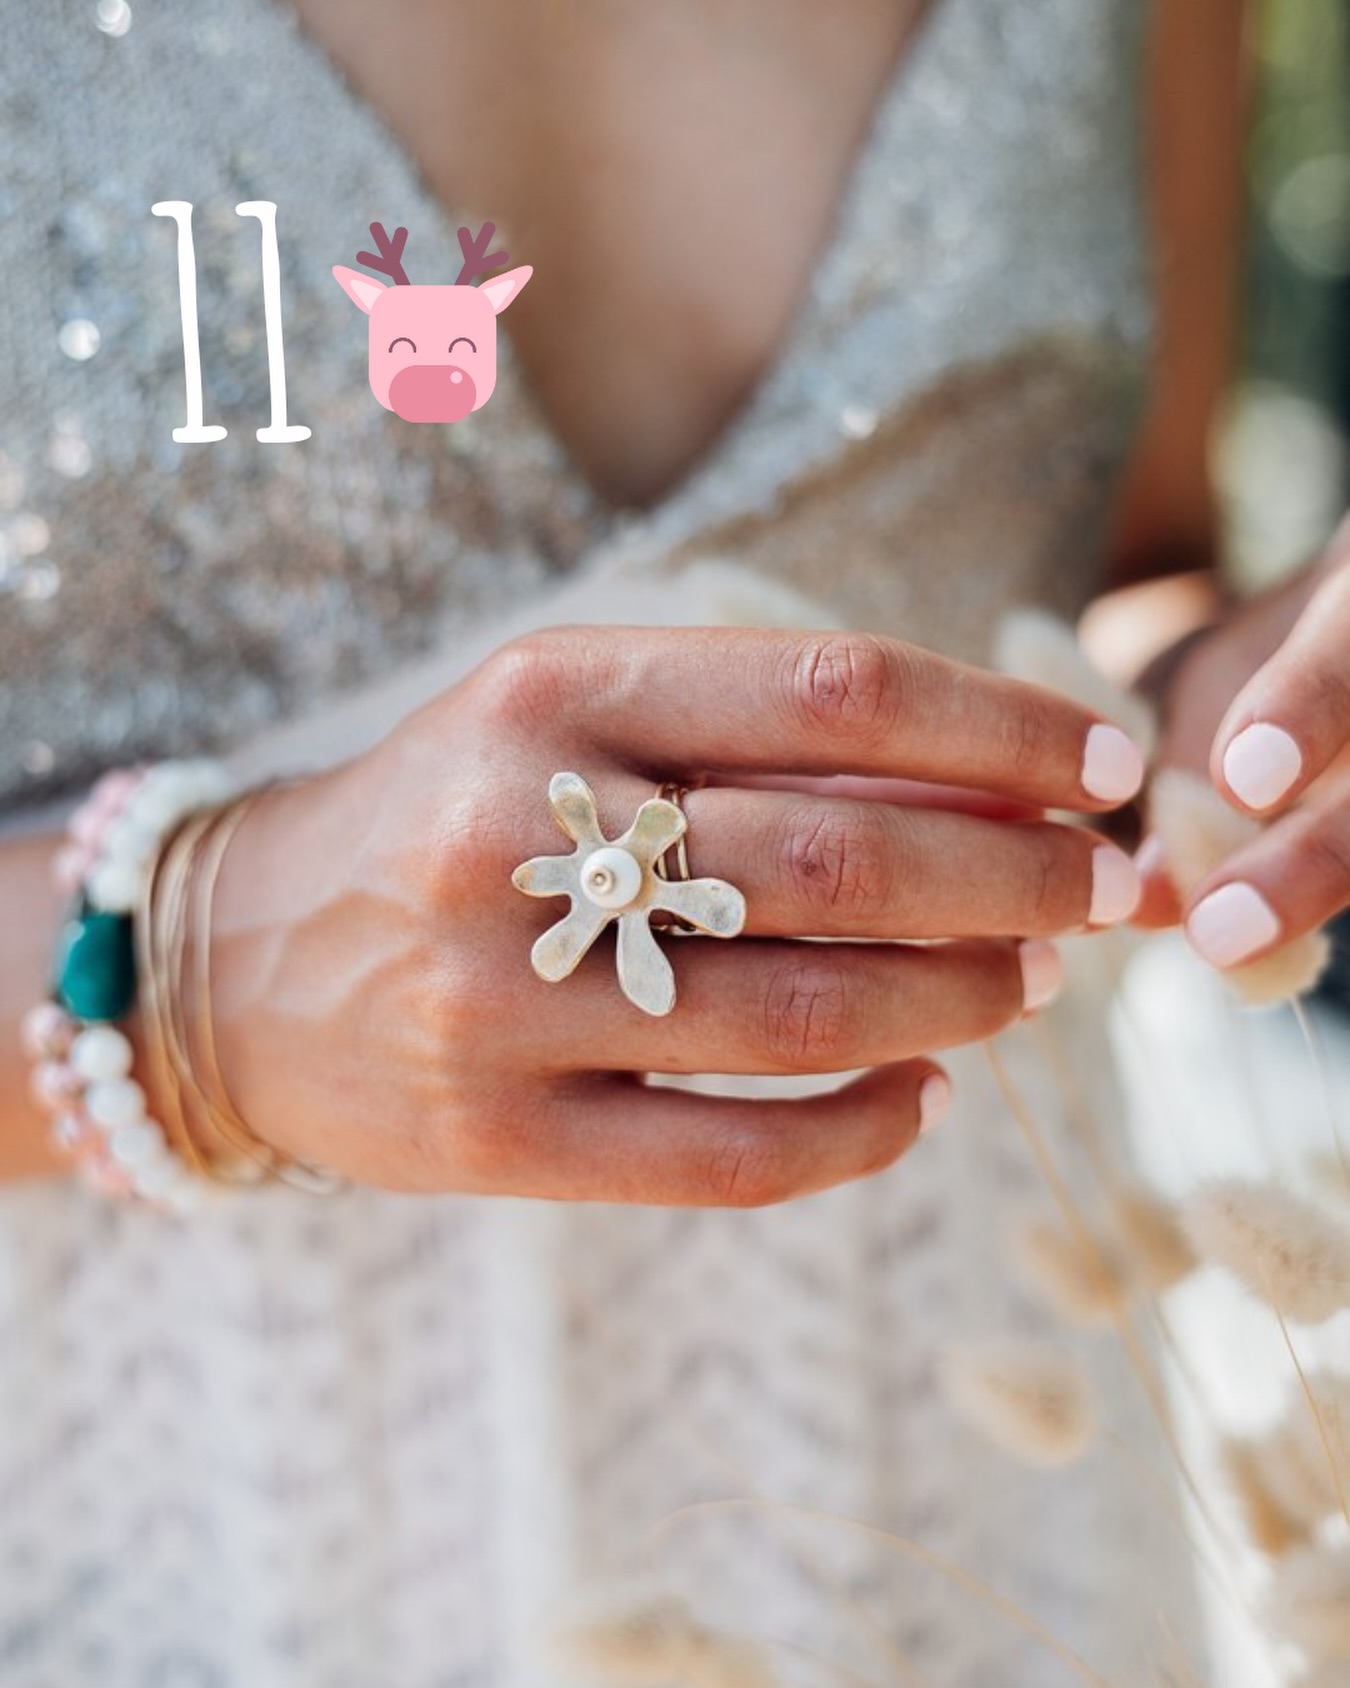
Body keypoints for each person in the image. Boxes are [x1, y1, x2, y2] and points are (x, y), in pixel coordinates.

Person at [2, 0, 1347, 1683]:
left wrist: (1254, 719)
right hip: (188, 1513)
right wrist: (195, 968)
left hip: (962, 1452)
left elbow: (1120, 571)